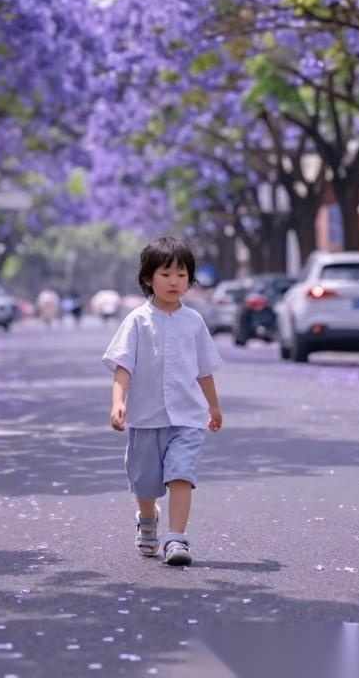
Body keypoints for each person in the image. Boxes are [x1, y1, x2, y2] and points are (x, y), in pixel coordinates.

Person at [102, 235, 223, 568]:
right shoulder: (137, 321)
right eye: (166, 274)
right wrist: (118, 403)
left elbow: (205, 370)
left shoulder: (194, 322)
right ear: (148, 278)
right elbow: (123, 366)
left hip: (187, 416)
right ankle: (147, 517)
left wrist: (213, 406)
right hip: (146, 417)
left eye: (182, 275)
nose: (174, 281)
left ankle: (176, 538)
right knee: (146, 483)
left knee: (181, 474)